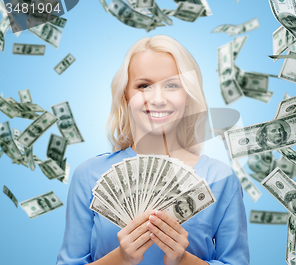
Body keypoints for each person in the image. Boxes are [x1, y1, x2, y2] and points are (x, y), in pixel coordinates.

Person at [57, 35, 250, 265]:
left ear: (187, 96)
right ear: (125, 95)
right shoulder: (88, 175)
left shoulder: (221, 179)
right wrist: (121, 257)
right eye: (144, 86)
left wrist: (182, 260)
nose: (158, 99)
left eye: (172, 85)